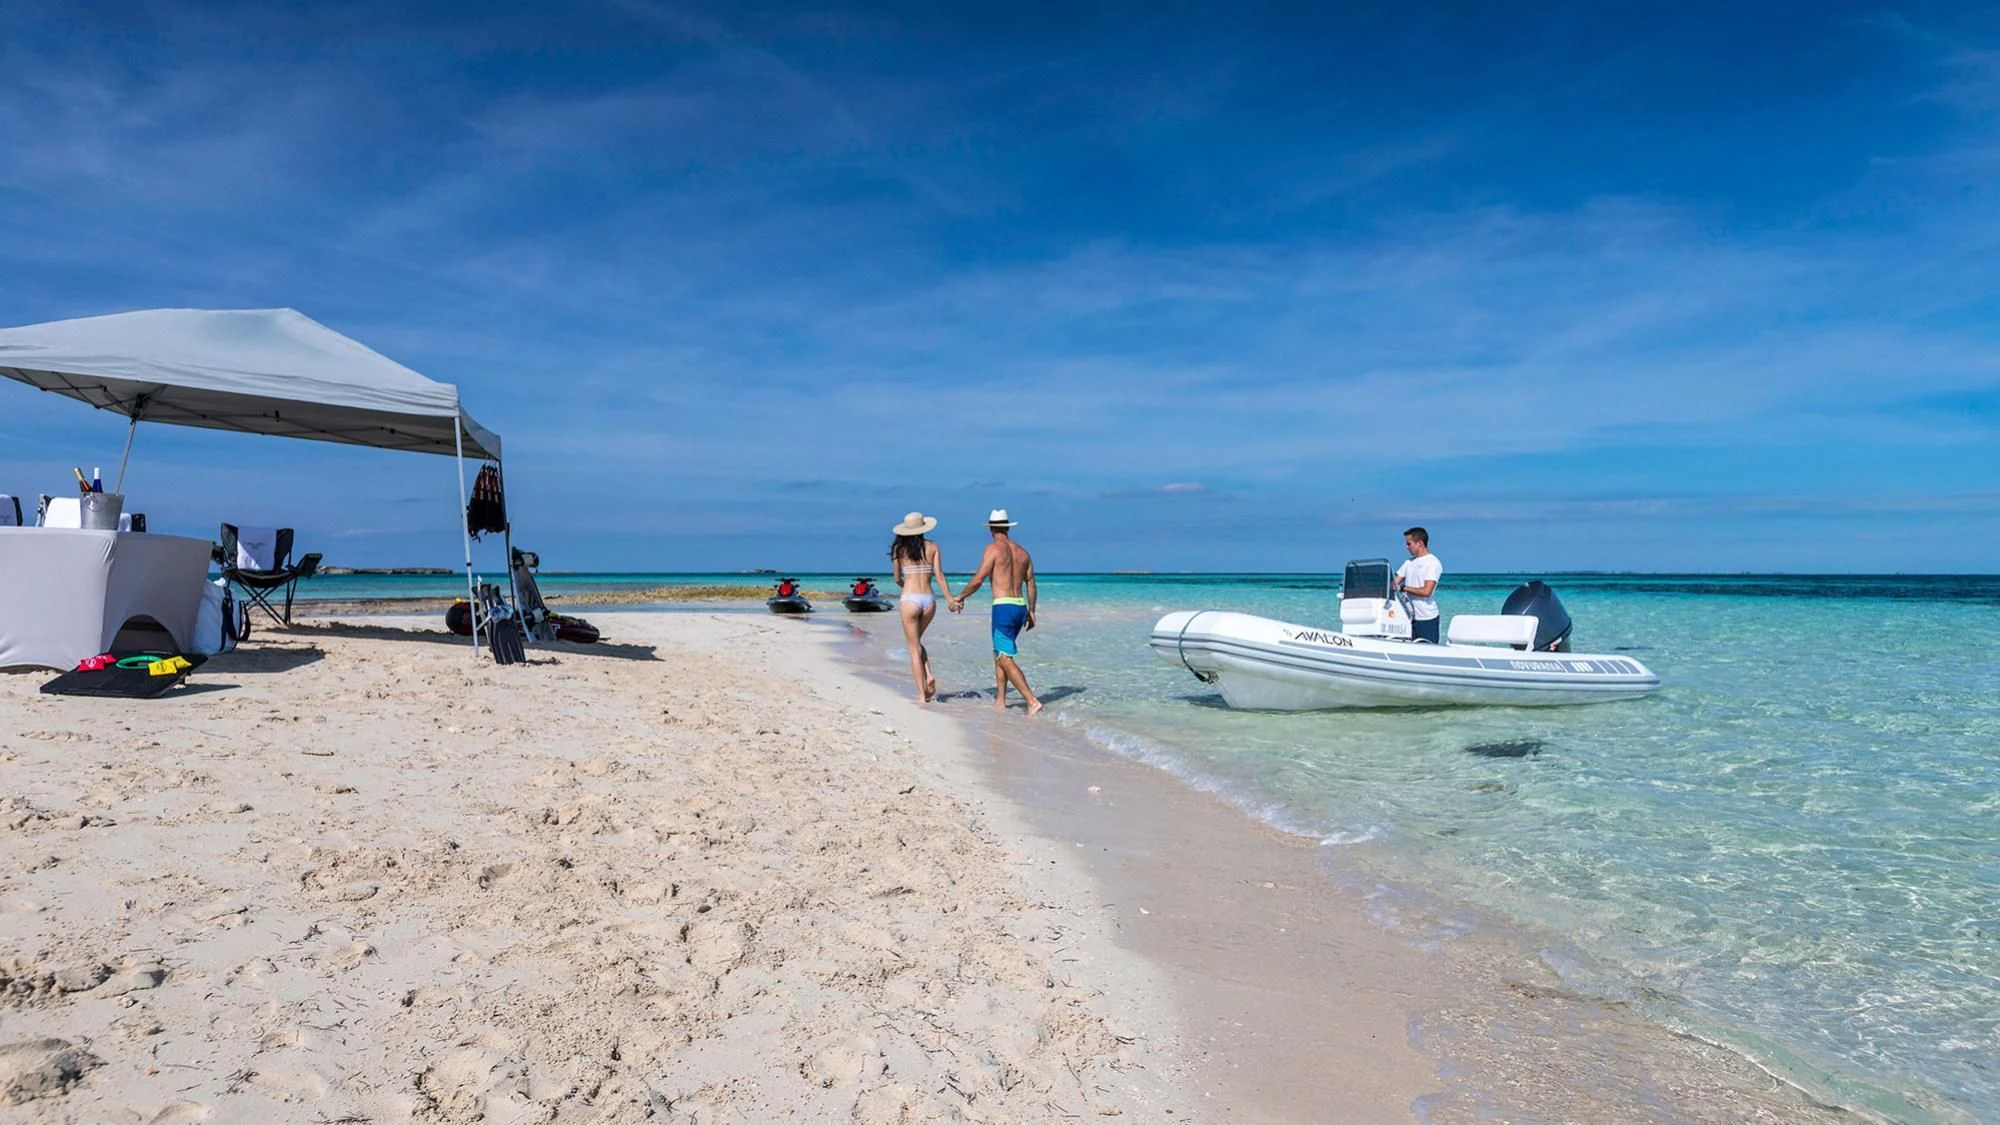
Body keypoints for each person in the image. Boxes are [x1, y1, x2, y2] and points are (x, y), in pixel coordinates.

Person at [949, 508, 1042, 715]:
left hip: (1003, 607)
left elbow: (978, 579)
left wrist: (960, 597)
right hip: (1020, 606)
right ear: (1007, 527)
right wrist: (1032, 611)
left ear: (991, 528)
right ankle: (1000, 700)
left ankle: (1031, 700)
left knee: (1005, 659)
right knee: (1000, 654)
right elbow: (1031, 584)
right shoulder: (1023, 552)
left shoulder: (993, 549)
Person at [889, 512, 956, 703]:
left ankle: (922, 694)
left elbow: (896, 579)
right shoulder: (933, 547)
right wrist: (950, 599)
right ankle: (928, 673)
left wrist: (906, 591)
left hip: (910, 599)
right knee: (917, 642)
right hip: (929, 600)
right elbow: (940, 576)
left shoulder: (898, 550)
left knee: (913, 647)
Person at [1392, 526, 1443, 643]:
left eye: (1409, 544)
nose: (1406, 547)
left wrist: (1404, 588)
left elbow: (1426, 592)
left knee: (1429, 653)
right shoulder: (1408, 563)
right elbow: (1394, 583)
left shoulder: (1432, 563)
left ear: (1419, 543)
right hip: (1409, 617)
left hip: (1426, 618)